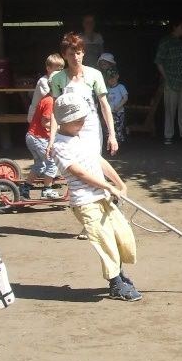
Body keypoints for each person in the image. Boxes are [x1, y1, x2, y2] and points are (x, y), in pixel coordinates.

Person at [51, 93, 141, 302]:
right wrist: (107, 186)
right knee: (104, 240)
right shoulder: (59, 146)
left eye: (83, 119)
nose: (82, 123)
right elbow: (79, 173)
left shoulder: (83, 137)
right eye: (78, 120)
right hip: (85, 201)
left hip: (103, 196)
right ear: (65, 121)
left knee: (121, 234)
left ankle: (118, 273)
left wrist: (119, 183)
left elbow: (99, 161)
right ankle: (115, 283)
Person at [49, 32, 118, 158]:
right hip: (67, 130)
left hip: (91, 127)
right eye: (71, 54)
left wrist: (112, 135)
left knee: (93, 162)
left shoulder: (95, 75)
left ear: (83, 53)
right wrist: (52, 138)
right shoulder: (57, 79)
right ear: (64, 55)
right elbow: (55, 111)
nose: (75, 57)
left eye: (78, 53)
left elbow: (104, 105)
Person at [155, 19, 182, 145]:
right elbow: (159, 61)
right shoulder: (166, 42)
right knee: (170, 109)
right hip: (171, 80)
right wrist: (166, 78)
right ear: (175, 27)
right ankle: (168, 135)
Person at [21, 87, 62, 201]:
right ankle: (47, 190)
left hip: (33, 137)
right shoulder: (50, 101)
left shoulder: (47, 99)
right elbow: (45, 122)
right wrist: (61, 127)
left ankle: (25, 188)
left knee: (40, 165)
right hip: (38, 138)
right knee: (52, 163)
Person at [27, 53, 65, 124]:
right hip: (36, 115)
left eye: (61, 70)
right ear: (48, 68)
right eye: (57, 70)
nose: (59, 73)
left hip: (47, 114)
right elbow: (53, 95)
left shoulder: (58, 81)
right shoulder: (43, 81)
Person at [105, 69, 128, 145]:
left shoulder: (121, 87)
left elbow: (125, 98)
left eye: (113, 77)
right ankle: (111, 144)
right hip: (109, 112)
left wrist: (119, 106)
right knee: (109, 129)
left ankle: (118, 143)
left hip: (119, 112)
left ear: (117, 77)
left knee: (118, 128)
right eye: (109, 78)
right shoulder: (107, 88)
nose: (111, 79)